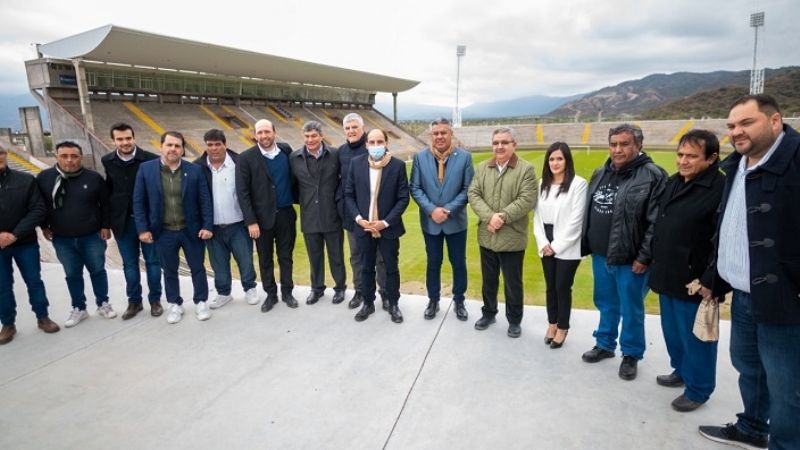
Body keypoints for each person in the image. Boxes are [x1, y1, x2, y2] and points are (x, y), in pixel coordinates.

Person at [698, 94, 800, 450]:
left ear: (775, 121)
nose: (736, 132)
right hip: (743, 296)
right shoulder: (737, 165)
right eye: (730, 126)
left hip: (785, 301)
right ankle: (752, 429)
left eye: (746, 123)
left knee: (789, 389)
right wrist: (715, 278)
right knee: (750, 369)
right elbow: (731, 227)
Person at [580, 124, 666, 380]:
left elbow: (656, 222)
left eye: (624, 144)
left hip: (630, 259)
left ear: (638, 145)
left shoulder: (652, 175)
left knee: (631, 307)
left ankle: (631, 354)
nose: (618, 149)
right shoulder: (600, 172)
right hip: (601, 254)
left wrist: (644, 256)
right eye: (613, 143)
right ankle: (605, 344)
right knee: (606, 303)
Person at [648, 130, 724, 412]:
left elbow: (723, 240)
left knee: (698, 338)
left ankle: (699, 389)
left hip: (696, 280)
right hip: (668, 273)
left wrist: (710, 278)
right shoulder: (674, 182)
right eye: (680, 155)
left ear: (711, 158)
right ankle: (681, 370)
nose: (683, 161)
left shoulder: (720, 189)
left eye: (691, 156)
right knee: (674, 333)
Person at [133, 131, 214, 324]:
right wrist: (143, 229)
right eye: (169, 145)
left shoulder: (194, 170)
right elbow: (139, 201)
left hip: (191, 229)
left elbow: (205, 200)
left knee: (197, 268)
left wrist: (207, 225)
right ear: (161, 146)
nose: (173, 149)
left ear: (182, 149)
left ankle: (201, 301)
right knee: (169, 270)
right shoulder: (146, 169)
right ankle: (174, 304)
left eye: (177, 146)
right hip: (164, 231)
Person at [37, 141, 116, 327]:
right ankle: (79, 307)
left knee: (97, 270)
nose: (69, 160)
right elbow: (39, 205)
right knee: (72, 274)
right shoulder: (44, 178)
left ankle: (103, 303)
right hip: (62, 238)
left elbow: (105, 204)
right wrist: (43, 226)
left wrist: (106, 225)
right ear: (57, 157)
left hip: (92, 236)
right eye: (64, 156)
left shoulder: (93, 178)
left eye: (74, 156)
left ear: (81, 157)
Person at [468, 127, 537, 338]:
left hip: (512, 238)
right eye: (496, 142)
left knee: (512, 283)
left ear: (513, 145)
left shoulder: (526, 169)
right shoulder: (482, 168)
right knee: (489, 280)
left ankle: (514, 320)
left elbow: (527, 199)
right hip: (487, 236)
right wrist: (491, 218)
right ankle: (489, 313)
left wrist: (502, 218)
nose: (499, 146)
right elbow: (473, 193)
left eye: (504, 142)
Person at [410, 117, 473, 321]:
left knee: (458, 263)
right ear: (431, 135)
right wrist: (431, 210)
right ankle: (433, 300)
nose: (439, 136)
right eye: (436, 133)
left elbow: (468, 189)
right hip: (430, 223)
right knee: (433, 262)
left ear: (450, 134)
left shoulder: (464, 157)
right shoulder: (420, 158)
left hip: (455, 222)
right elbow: (416, 188)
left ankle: (459, 300)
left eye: (443, 132)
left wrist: (446, 210)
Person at [344, 128, 409, 323]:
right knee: (366, 268)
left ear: (386, 143)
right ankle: (368, 303)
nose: (375, 146)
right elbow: (349, 194)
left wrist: (385, 222)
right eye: (371, 142)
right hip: (363, 228)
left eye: (379, 142)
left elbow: (403, 198)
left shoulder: (397, 166)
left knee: (390, 268)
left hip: (388, 229)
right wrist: (358, 219)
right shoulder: (356, 164)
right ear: (366, 145)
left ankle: (393, 303)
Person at [101, 123, 163, 320]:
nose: (125, 142)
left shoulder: (152, 159)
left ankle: (155, 300)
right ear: (114, 141)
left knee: (153, 262)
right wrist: (106, 222)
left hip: (148, 221)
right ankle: (134, 301)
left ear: (134, 138)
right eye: (120, 139)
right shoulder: (107, 161)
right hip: (123, 222)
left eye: (128, 138)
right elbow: (108, 192)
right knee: (129, 264)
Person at [236, 119, 298, 312]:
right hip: (261, 220)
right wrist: (251, 221)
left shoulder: (286, 152)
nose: (264, 136)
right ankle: (271, 294)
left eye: (267, 132)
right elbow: (242, 192)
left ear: (274, 133)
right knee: (265, 259)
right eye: (260, 132)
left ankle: (287, 292)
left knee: (285, 256)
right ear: (255, 135)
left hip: (286, 214)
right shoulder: (246, 158)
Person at [193, 129, 258, 309]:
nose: (214, 148)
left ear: (225, 144)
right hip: (212, 227)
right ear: (206, 146)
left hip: (238, 224)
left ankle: (250, 288)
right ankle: (223, 293)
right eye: (210, 145)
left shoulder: (239, 163)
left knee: (245, 259)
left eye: (217, 144)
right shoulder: (198, 166)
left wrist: (251, 220)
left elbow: (249, 193)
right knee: (218, 263)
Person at [0, 147, 60, 344]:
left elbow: (38, 209)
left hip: (24, 243)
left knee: (34, 282)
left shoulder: (25, 180)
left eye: (1, 153)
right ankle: (8, 324)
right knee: (2, 286)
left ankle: (42, 317)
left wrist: (15, 234)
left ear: (5, 155)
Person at [533, 142, 587, 348]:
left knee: (562, 286)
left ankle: (563, 327)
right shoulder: (542, 184)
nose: (555, 163)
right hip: (545, 240)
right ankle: (552, 323)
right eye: (552, 159)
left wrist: (555, 246)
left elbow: (576, 221)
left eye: (559, 158)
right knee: (550, 287)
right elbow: (537, 217)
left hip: (567, 244)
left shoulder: (578, 184)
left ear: (567, 160)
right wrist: (544, 243)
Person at [290, 121, 346, 305]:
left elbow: (343, 182)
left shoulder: (335, 154)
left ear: (321, 136)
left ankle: (340, 288)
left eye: (314, 136)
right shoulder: (294, 157)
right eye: (306, 136)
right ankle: (317, 289)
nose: (310, 140)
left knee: (336, 256)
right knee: (314, 257)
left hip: (332, 215)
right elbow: (293, 187)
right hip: (309, 216)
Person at [337, 113, 387, 310]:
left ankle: (384, 291)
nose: (351, 131)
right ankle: (361, 291)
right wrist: (343, 207)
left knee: (380, 258)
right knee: (356, 256)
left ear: (362, 128)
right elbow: (339, 184)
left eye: (354, 127)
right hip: (353, 217)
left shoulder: (376, 148)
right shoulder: (340, 152)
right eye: (347, 128)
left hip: (376, 217)